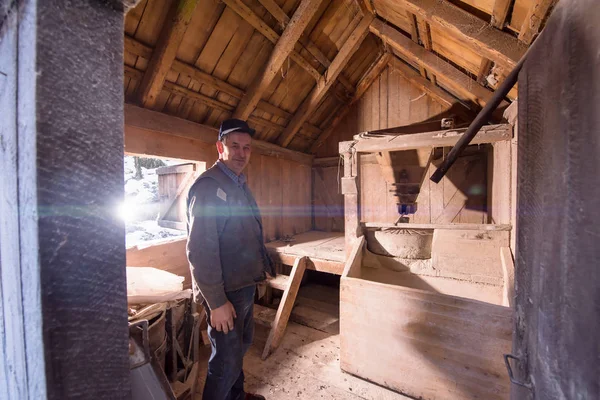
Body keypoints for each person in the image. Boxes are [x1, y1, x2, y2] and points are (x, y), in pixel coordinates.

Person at [186, 118, 274, 400]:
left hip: (242, 284)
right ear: (219, 147)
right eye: (234, 146)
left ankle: (236, 396)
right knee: (224, 358)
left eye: (246, 147)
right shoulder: (209, 187)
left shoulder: (238, 184)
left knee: (239, 348)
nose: (240, 153)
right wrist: (216, 301)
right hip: (225, 292)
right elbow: (200, 249)